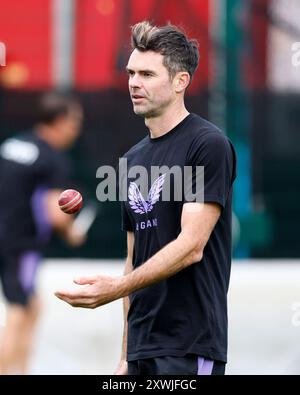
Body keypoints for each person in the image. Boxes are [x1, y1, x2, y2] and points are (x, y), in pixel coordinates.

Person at [55, 21, 237, 375]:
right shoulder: (132, 159)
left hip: (190, 344)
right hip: (142, 350)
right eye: (131, 73)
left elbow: (192, 245)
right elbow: (132, 259)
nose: (134, 83)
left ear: (180, 81)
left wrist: (115, 288)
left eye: (147, 74)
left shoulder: (207, 144)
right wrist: (126, 353)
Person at [0, 92, 85, 374]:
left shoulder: (11, 145)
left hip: (5, 237)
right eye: (74, 122)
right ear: (59, 121)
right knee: (19, 309)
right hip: (20, 245)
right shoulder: (53, 158)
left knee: (32, 306)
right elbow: (54, 212)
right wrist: (73, 233)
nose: (77, 130)